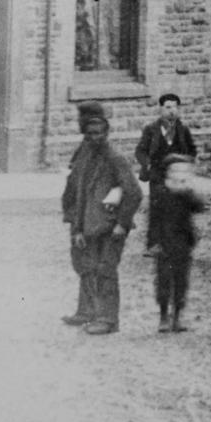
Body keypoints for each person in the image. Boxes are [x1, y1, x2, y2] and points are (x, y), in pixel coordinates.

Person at [61, 108, 143, 335]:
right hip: (87, 224)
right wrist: (76, 226)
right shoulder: (84, 157)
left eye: (98, 133)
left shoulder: (115, 158)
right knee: (86, 267)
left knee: (106, 270)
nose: (94, 137)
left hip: (110, 227)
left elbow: (134, 193)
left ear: (106, 133)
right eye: (89, 133)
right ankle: (87, 311)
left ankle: (108, 319)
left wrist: (122, 224)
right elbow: (77, 192)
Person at [135, 93, 197, 256]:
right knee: (156, 208)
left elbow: (192, 151)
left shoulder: (183, 130)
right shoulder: (151, 129)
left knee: (178, 208)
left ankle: (178, 242)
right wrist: (147, 163)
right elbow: (140, 151)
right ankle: (154, 244)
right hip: (157, 174)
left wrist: (185, 163)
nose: (172, 111)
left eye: (175, 107)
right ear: (161, 109)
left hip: (177, 177)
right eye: (168, 107)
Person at [153, 154, 204, 333]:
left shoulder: (187, 194)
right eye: (175, 170)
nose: (179, 174)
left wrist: (189, 190)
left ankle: (177, 316)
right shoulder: (160, 192)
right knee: (164, 280)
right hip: (164, 243)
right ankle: (163, 316)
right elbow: (153, 220)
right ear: (167, 173)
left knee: (181, 280)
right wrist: (153, 242)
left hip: (183, 243)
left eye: (183, 171)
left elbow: (200, 207)